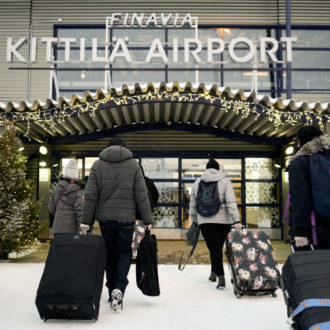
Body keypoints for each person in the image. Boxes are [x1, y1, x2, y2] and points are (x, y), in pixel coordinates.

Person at [80, 137, 153, 312]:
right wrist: (148, 220)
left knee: (109, 254)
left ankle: (111, 286)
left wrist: (86, 221)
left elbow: (90, 195)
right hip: (126, 219)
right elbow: (142, 194)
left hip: (105, 219)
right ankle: (118, 287)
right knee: (123, 253)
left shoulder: (98, 165)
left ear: (107, 148)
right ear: (125, 148)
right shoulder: (134, 165)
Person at [189, 159, 242, 289]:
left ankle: (218, 275)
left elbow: (193, 205)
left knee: (214, 248)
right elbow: (231, 202)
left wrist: (195, 220)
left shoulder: (197, 183)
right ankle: (218, 274)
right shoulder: (225, 181)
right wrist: (237, 219)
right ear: (218, 169)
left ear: (206, 169)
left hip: (205, 221)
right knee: (216, 248)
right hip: (224, 221)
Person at [288, 126, 330, 249]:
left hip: (311, 231)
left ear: (300, 141)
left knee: (307, 267)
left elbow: (300, 197)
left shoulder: (300, 162)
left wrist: (300, 230)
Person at [48, 159, 84, 235]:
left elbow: (51, 208)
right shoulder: (78, 190)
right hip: (72, 229)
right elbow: (80, 211)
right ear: (76, 175)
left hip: (57, 227)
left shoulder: (56, 188)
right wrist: (82, 229)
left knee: (59, 246)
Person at [132, 165, 159, 258]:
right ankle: (143, 254)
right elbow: (156, 195)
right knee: (144, 235)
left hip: (133, 214)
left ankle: (134, 254)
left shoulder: (131, 181)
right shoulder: (148, 181)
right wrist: (150, 207)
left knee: (133, 236)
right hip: (145, 215)